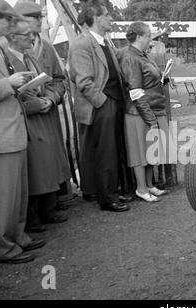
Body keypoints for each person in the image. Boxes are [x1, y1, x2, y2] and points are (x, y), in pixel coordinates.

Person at [68, 0, 131, 212]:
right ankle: (107, 198)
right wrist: (103, 103)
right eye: (107, 15)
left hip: (112, 102)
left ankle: (110, 191)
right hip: (102, 105)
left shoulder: (103, 42)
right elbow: (83, 81)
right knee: (105, 152)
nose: (111, 18)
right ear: (96, 18)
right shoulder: (81, 44)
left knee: (112, 150)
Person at [14, 1, 70, 231]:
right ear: (19, 22)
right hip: (29, 117)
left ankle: (51, 204)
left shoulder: (45, 46)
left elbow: (59, 78)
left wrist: (52, 98)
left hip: (47, 112)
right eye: (33, 16)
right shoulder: (10, 51)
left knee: (52, 160)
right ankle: (35, 213)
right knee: (36, 165)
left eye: (40, 16)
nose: (39, 20)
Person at [0, 0, 44, 264]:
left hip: (13, 131)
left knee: (18, 193)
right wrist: (9, 83)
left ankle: (18, 236)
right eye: (8, 20)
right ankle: (5, 247)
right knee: (6, 195)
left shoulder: (2, 49)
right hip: (4, 135)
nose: (11, 25)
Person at [120, 22, 169, 202]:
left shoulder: (143, 55)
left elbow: (149, 79)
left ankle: (149, 184)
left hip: (152, 108)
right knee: (140, 151)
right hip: (138, 112)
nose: (150, 39)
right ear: (139, 36)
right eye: (148, 35)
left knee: (151, 150)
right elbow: (135, 91)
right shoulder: (130, 57)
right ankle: (141, 188)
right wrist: (150, 119)